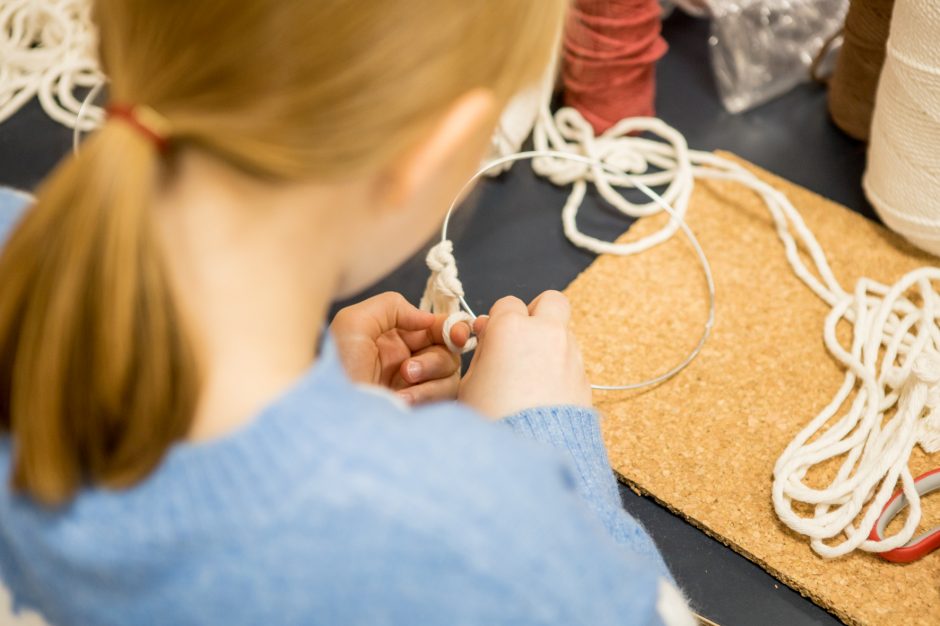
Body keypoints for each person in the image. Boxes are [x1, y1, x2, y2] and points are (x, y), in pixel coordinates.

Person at [0, 1, 695, 624]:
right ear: (433, 152)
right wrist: (544, 448)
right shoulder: (484, 539)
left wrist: (335, 406)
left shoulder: (25, 249)